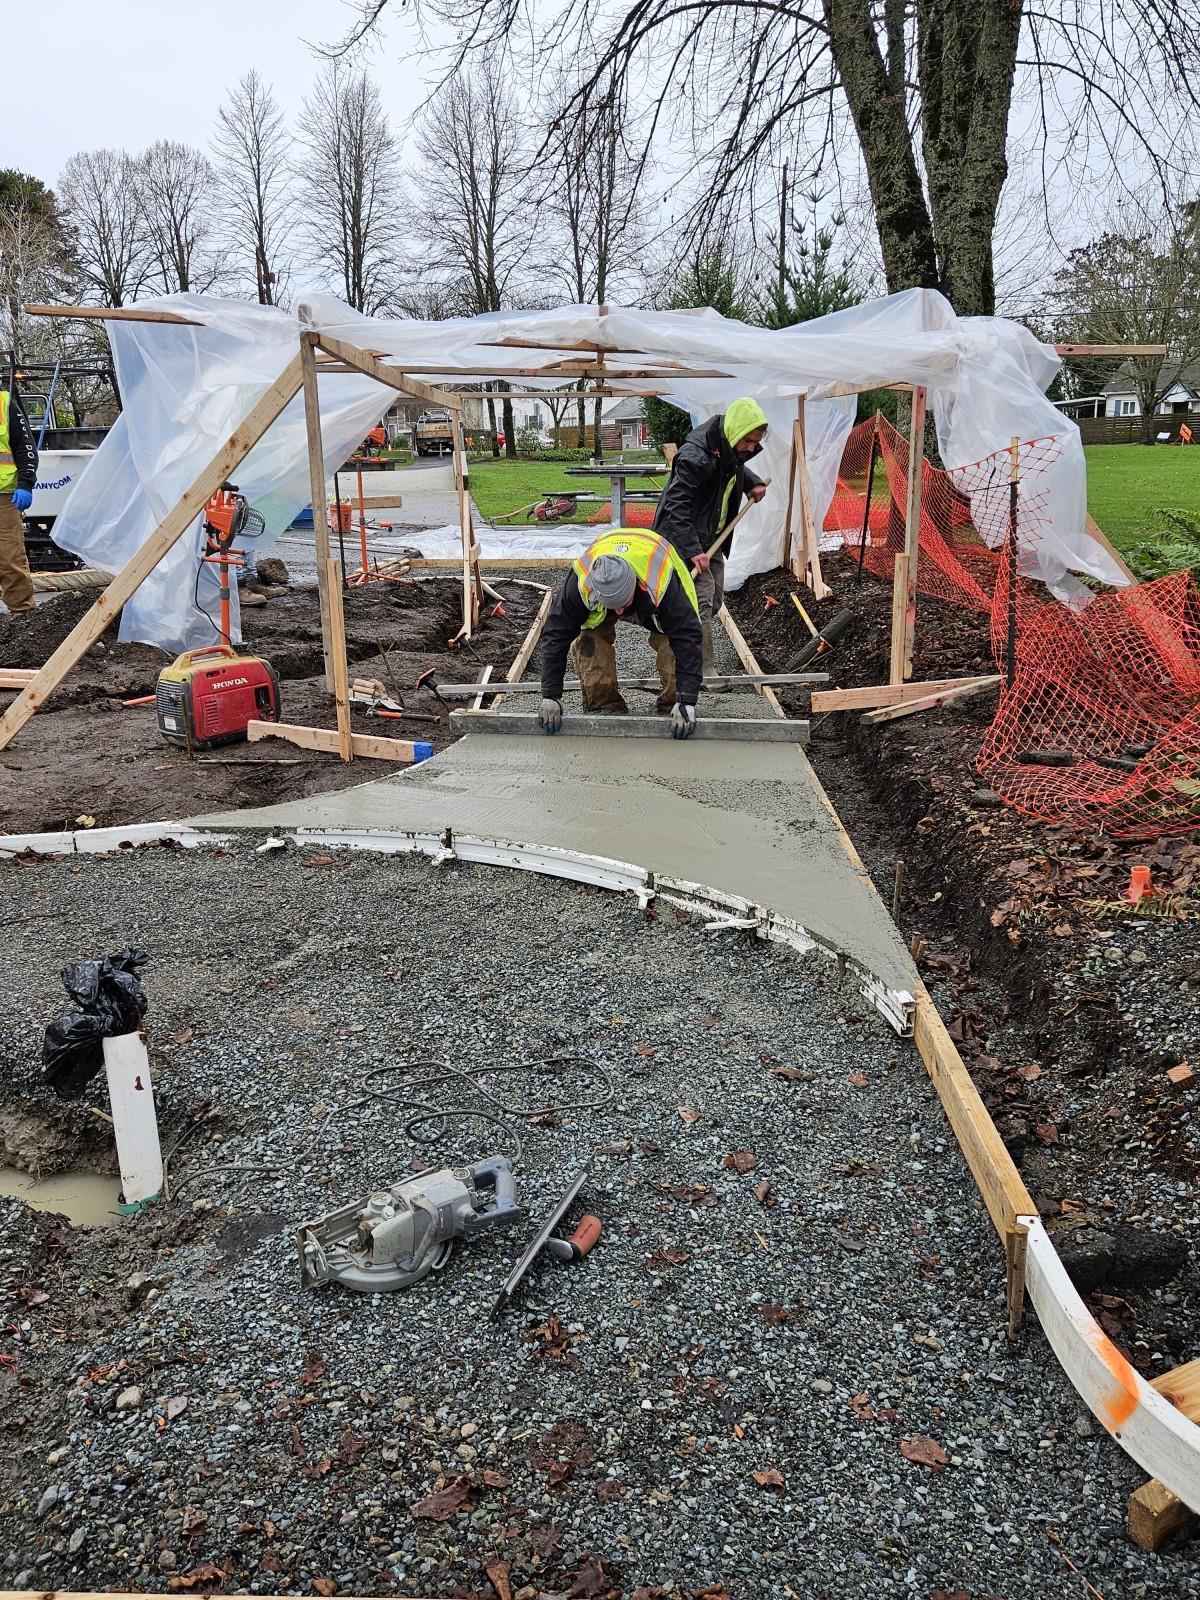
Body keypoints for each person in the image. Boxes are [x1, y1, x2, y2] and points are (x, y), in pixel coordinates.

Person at [538, 528, 703, 740]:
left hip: (655, 554)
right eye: (612, 606)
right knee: (588, 642)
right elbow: (555, 636)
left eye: (622, 605)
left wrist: (687, 700)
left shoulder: (662, 584)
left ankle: (672, 705)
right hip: (610, 557)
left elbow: (688, 637)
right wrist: (551, 696)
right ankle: (603, 706)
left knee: (673, 645)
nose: (618, 613)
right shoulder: (580, 583)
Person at [652, 396, 768, 681]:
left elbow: (734, 466)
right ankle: (701, 669)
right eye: (749, 441)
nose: (751, 448)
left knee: (715, 599)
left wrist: (751, 483)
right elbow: (675, 506)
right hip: (683, 537)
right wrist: (691, 550)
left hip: (711, 536)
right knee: (700, 600)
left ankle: (673, 631)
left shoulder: (729, 449)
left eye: (755, 442)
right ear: (735, 433)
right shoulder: (696, 456)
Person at [0, 383, 39, 617]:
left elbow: (26, 447)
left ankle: (22, 617)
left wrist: (26, 484)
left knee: (10, 559)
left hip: (3, 497)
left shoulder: (4, 404)